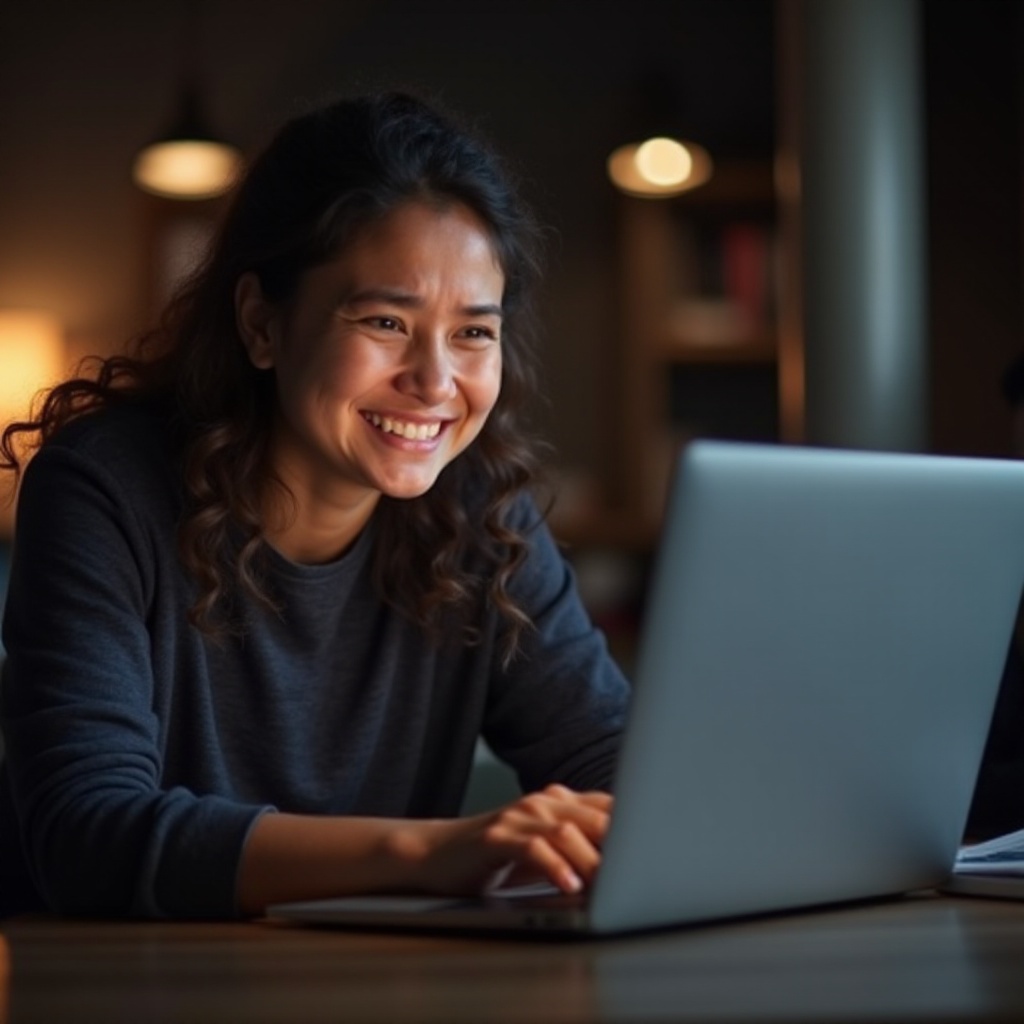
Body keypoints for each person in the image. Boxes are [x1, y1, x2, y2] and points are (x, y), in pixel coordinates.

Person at [0, 93, 630, 919]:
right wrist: (436, 852)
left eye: (474, 333)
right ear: (262, 324)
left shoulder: (482, 514)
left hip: (379, 988)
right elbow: (87, 836)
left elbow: (622, 769)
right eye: (384, 320)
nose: (437, 383)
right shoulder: (106, 489)